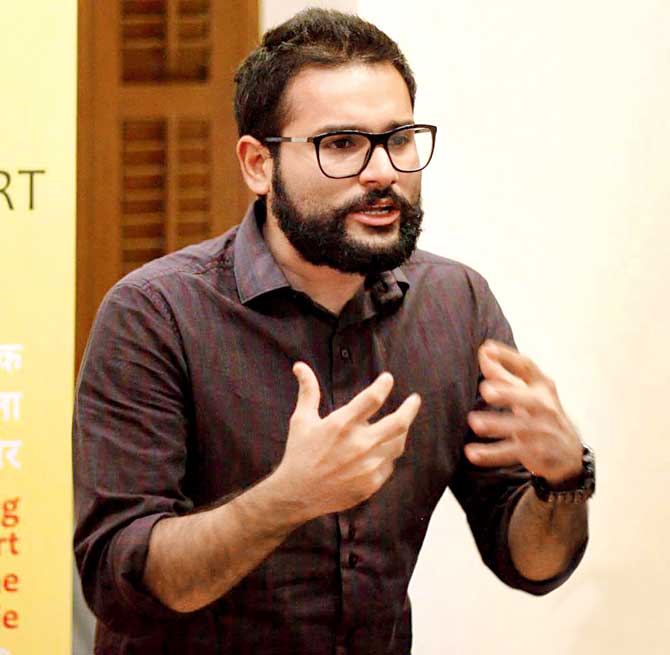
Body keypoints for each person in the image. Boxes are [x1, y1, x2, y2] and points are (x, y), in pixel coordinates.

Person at [73, 9, 594, 655]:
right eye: (341, 143)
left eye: (399, 138)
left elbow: (532, 564)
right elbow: (118, 582)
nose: (383, 172)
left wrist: (563, 476)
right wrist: (286, 499)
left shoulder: (456, 304)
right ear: (258, 164)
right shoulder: (155, 314)